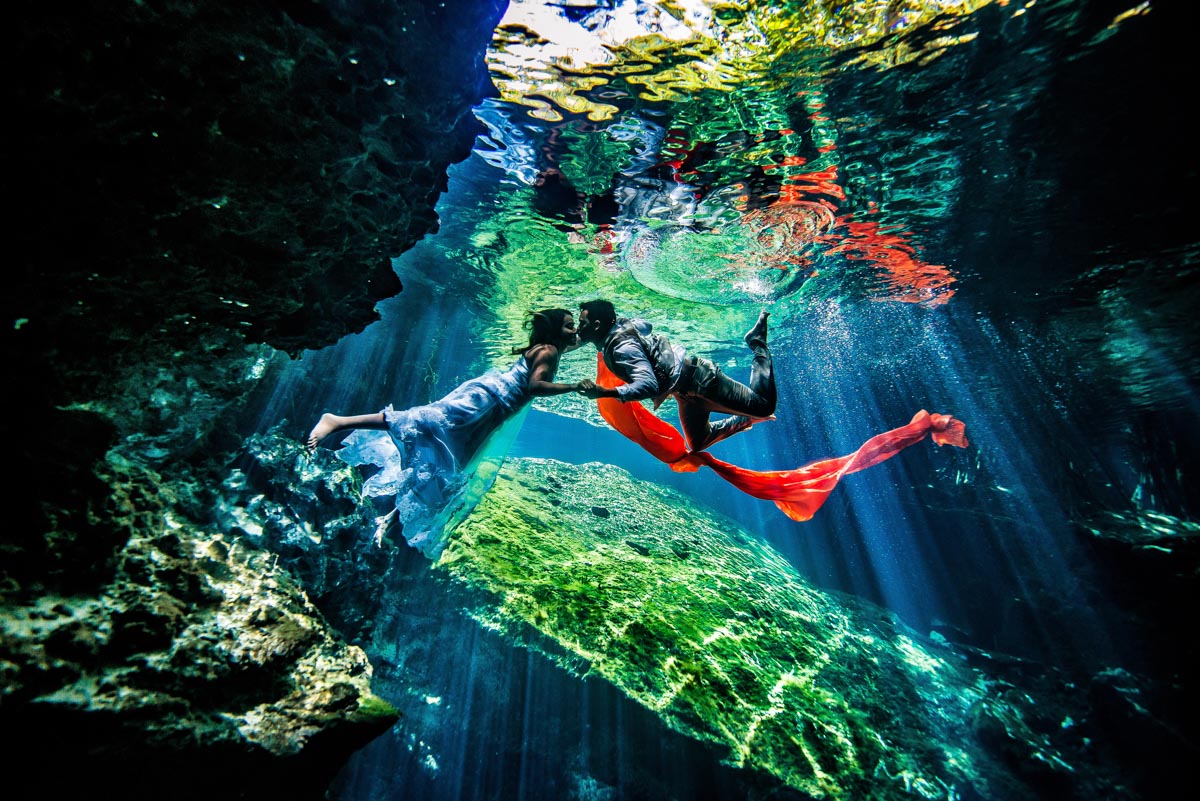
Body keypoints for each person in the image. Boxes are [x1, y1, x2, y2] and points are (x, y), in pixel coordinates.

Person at [305, 309, 593, 557]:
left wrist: (594, 331)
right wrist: (574, 387)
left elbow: (577, 340)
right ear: (556, 331)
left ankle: (392, 519)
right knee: (423, 423)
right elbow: (535, 387)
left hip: (492, 412)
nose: (575, 331)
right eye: (569, 325)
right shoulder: (549, 350)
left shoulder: (554, 345)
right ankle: (338, 421)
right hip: (486, 402)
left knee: (450, 473)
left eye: (574, 326)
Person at [576, 299, 775, 452]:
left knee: (764, 406)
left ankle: (757, 343)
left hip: (702, 379)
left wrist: (604, 392)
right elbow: (646, 325)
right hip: (684, 392)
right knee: (699, 443)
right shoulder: (621, 330)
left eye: (581, 324)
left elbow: (649, 385)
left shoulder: (622, 349)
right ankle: (744, 419)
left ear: (596, 326)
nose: (578, 328)